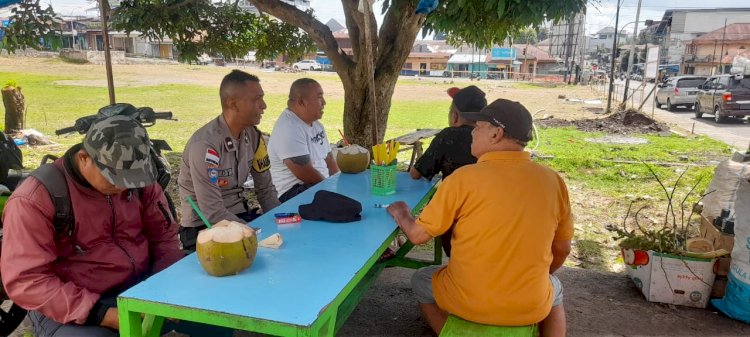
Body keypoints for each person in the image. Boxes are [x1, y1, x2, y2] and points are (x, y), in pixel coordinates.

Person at [0, 115, 229, 337]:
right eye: (114, 178)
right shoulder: (35, 199)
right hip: (70, 305)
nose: (123, 188)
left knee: (214, 315)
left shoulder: (139, 183)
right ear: (83, 158)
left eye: (130, 179)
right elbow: (27, 280)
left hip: (142, 287)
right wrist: (102, 314)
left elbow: (164, 238)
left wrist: (166, 287)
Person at [387, 99, 573, 337]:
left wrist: (402, 212)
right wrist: (539, 277)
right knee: (554, 289)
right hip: (530, 306)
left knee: (421, 280)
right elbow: (563, 248)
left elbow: (417, 236)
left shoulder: (462, 179)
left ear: (496, 133)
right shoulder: (553, 181)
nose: (472, 132)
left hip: (468, 302)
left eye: (478, 126)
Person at [178, 70, 280, 251]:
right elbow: (212, 213)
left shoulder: (255, 137)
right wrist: (255, 234)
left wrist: (280, 221)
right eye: (256, 99)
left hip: (240, 217)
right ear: (232, 103)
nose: (263, 105)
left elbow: (266, 190)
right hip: (203, 230)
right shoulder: (205, 145)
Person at [409, 85, 486, 257]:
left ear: (455, 115)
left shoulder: (449, 136)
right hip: (489, 219)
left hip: (456, 221)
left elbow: (416, 174)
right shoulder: (493, 139)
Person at [267, 78, 340, 202]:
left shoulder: (316, 125)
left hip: (320, 185)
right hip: (294, 193)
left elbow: (329, 160)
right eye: (319, 97)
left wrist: (340, 182)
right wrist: (334, 191)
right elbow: (307, 174)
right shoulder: (289, 128)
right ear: (302, 102)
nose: (324, 102)